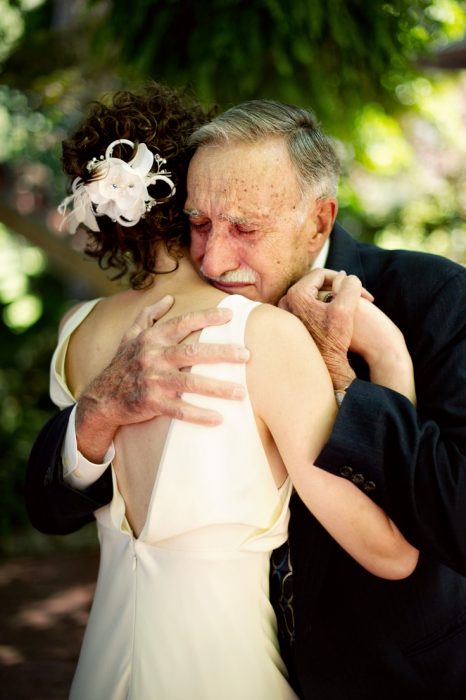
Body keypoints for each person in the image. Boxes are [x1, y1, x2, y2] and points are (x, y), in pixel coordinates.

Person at [25, 96, 466, 698]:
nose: (213, 258)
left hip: (387, 674)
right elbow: (50, 502)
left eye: (245, 229)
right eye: (200, 223)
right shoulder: (188, 324)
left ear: (319, 219)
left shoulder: (432, 296)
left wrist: (378, 361)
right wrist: (97, 412)